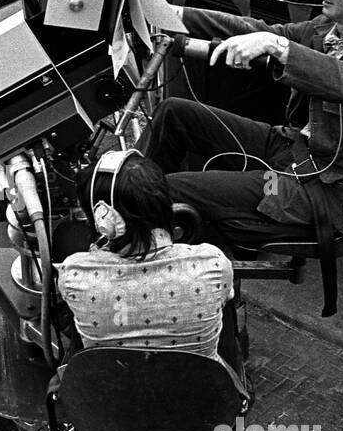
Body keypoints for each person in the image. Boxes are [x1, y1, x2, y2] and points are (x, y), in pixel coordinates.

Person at [140, 0, 343, 314]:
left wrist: (277, 47)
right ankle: (134, 216)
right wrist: (166, 12)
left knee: (171, 188)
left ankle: (144, 263)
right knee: (174, 112)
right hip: (291, 149)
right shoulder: (327, 30)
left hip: (311, 189)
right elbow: (255, 28)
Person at [56, 150, 245, 391]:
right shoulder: (213, 264)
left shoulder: (73, 274)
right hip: (199, 403)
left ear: (104, 220)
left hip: (116, 405)